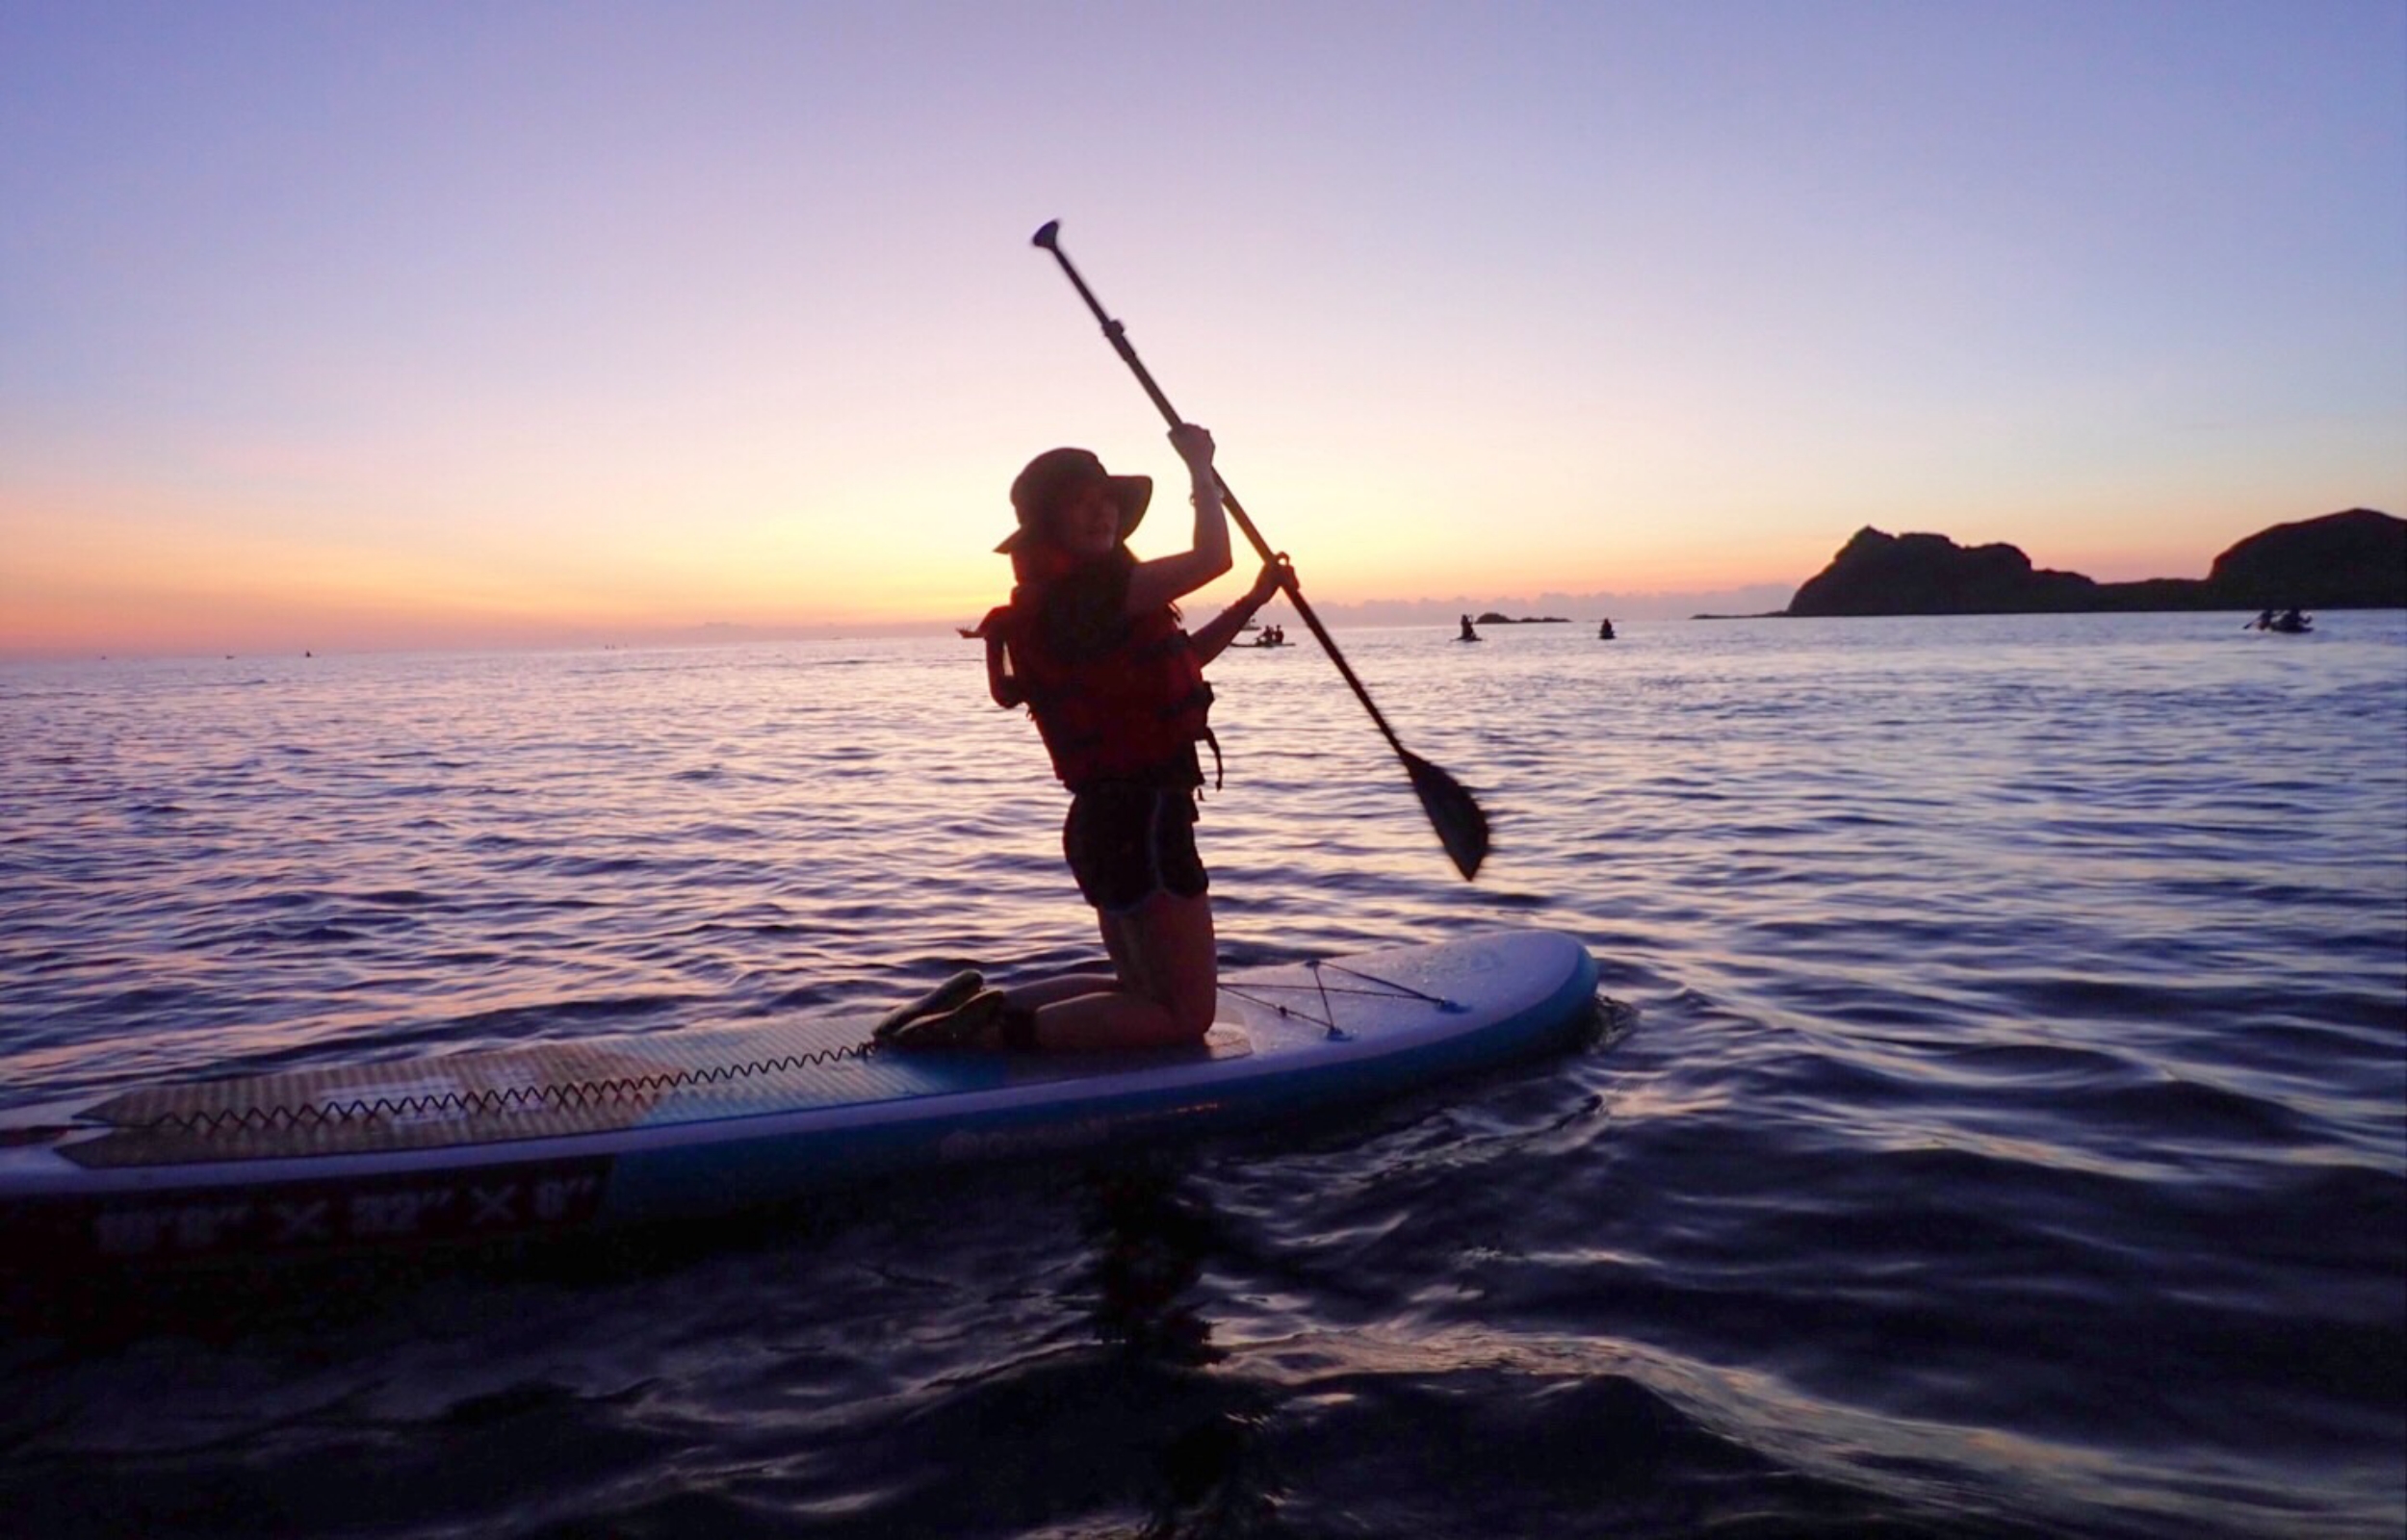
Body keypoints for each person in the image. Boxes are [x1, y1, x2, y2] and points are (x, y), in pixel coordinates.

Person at [884, 424, 1293, 1053]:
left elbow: (1179, 660)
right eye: (1080, 502)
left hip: (1107, 821)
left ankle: (968, 1009)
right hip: (1143, 821)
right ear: (1048, 524)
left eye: (1105, 499)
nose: (1100, 511)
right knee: (1184, 1014)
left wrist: (1250, 603)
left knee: (1135, 986)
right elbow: (1213, 556)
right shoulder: (1089, 593)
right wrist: (1200, 468)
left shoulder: (1073, 600)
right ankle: (995, 1034)